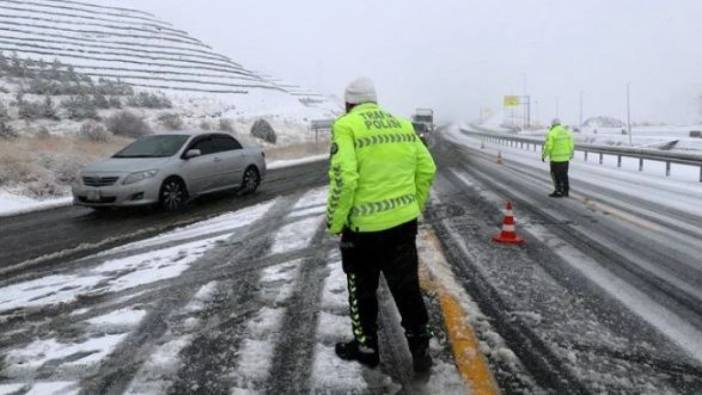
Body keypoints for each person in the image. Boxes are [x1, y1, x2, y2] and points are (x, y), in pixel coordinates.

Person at [326, 77, 437, 373]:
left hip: (362, 232)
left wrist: (335, 221)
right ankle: (420, 348)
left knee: (361, 291)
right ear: (373, 100)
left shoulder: (346, 125)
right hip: (403, 226)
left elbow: (345, 179)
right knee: (407, 288)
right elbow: (427, 167)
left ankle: (367, 349)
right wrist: (412, 205)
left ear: (349, 103)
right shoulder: (402, 124)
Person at [542, 119, 575, 197]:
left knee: (555, 175)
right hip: (565, 159)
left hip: (555, 159)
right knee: (564, 175)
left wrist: (544, 155)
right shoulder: (567, 132)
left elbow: (548, 146)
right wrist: (571, 154)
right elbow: (571, 144)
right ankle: (566, 192)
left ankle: (558, 191)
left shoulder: (552, 133)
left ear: (553, 125)